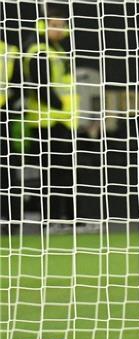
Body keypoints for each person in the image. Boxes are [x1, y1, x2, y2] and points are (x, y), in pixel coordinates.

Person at [21, 2, 78, 229]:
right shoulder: (39, 50)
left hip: (61, 120)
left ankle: (67, 219)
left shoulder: (56, 49)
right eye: (54, 25)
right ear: (43, 25)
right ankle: (51, 219)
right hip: (46, 122)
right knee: (51, 174)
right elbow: (41, 87)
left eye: (61, 26)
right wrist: (61, 106)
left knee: (64, 172)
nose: (59, 30)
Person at [1, 36, 21, 229]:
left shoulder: (10, 51)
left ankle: (10, 219)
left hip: (3, 117)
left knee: (6, 169)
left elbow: (19, 87)